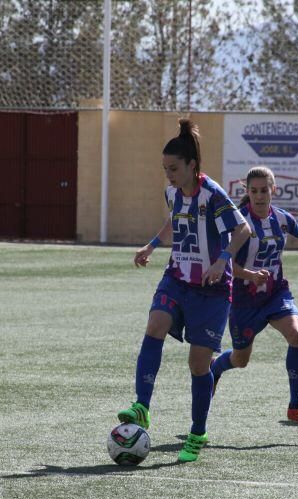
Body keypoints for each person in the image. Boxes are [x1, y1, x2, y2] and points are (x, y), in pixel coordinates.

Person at [117, 118, 251, 462]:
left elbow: (242, 230)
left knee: (197, 363)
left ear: (193, 165)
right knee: (155, 326)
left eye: (174, 168)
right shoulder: (173, 193)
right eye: (165, 169)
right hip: (176, 279)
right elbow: (174, 221)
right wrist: (150, 245)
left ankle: (197, 432)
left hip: (212, 291)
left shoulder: (213, 194)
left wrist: (222, 260)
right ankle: (142, 406)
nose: (169, 175)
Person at [210, 167, 298, 428]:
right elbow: (225, 263)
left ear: (273, 190)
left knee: (296, 335)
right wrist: (250, 275)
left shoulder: (282, 218)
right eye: (253, 191)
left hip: (276, 293)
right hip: (244, 299)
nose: (259, 195)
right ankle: (215, 367)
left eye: (264, 190)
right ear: (247, 192)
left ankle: (296, 406)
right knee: (241, 360)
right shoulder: (239, 223)